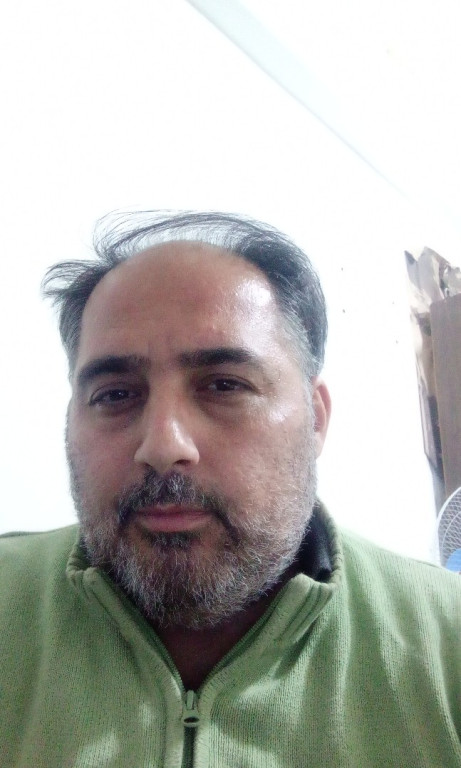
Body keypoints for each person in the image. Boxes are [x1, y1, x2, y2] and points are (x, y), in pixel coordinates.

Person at [1, 211, 460, 768]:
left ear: (315, 420)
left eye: (224, 386)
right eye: (115, 394)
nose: (163, 445)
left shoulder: (447, 642)